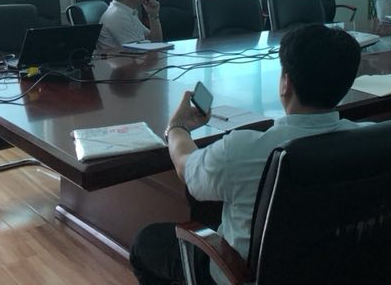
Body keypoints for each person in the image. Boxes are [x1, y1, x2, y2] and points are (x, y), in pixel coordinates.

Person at [129, 24, 363, 285]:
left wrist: (177, 127)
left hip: (246, 274)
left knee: (146, 242)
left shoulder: (244, 150)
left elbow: (186, 168)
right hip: (335, 266)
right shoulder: (372, 139)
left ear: (286, 83)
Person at [97, 0, 163, 50]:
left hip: (137, 57)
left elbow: (156, 42)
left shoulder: (127, 11)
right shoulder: (118, 15)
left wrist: (153, 16)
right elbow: (138, 51)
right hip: (125, 58)